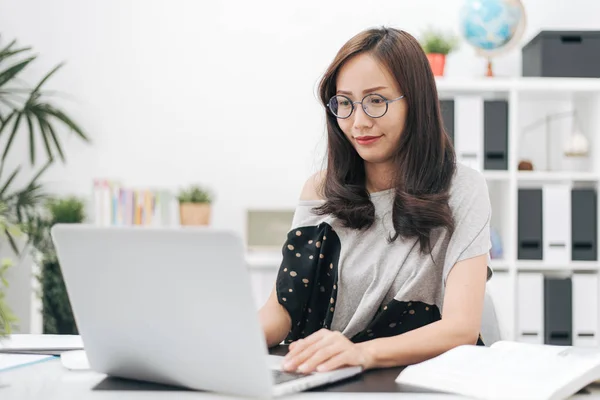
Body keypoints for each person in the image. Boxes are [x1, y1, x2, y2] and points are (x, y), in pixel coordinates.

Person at [258, 26, 492, 375]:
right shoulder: (319, 190)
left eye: (377, 101)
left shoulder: (462, 189)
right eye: (345, 104)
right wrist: (223, 343)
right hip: (317, 376)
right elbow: (283, 309)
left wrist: (360, 353)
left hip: (407, 380)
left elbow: (461, 329)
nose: (359, 122)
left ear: (416, 102)